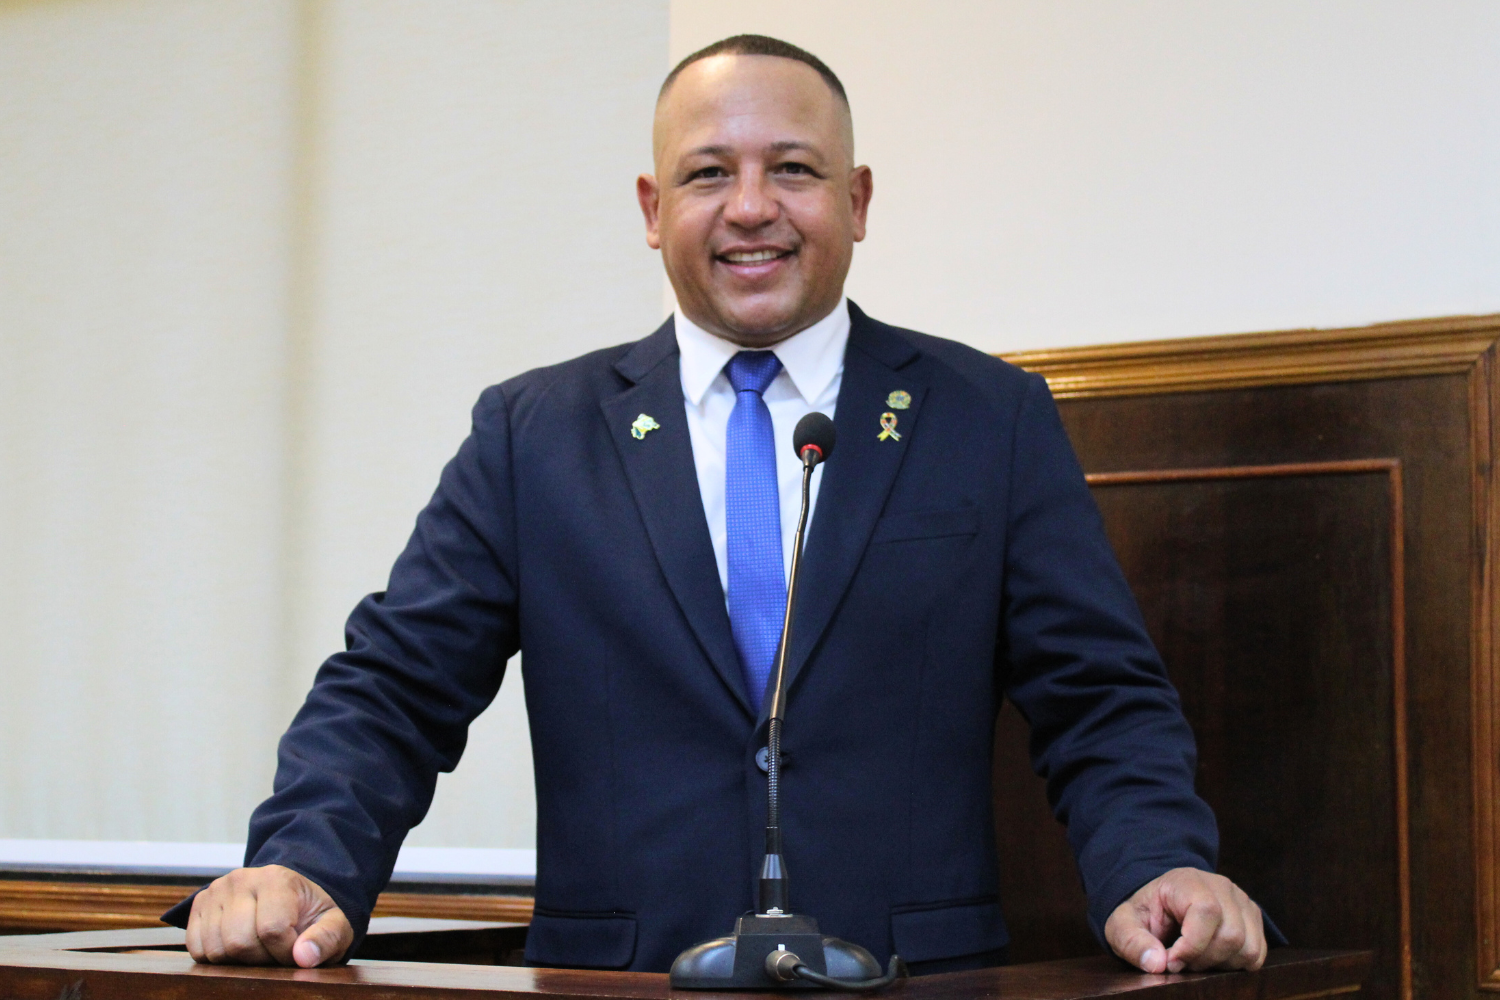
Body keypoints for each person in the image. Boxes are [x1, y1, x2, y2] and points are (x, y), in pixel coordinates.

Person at [169, 34, 1274, 977]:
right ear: (654, 211)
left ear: (858, 200)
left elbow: (1100, 697)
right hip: (619, 984)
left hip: (911, 982)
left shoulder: (989, 418)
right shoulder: (533, 436)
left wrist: (1155, 864)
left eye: (792, 168)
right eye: (708, 174)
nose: (751, 208)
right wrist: (305, 861)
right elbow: (396, 686)